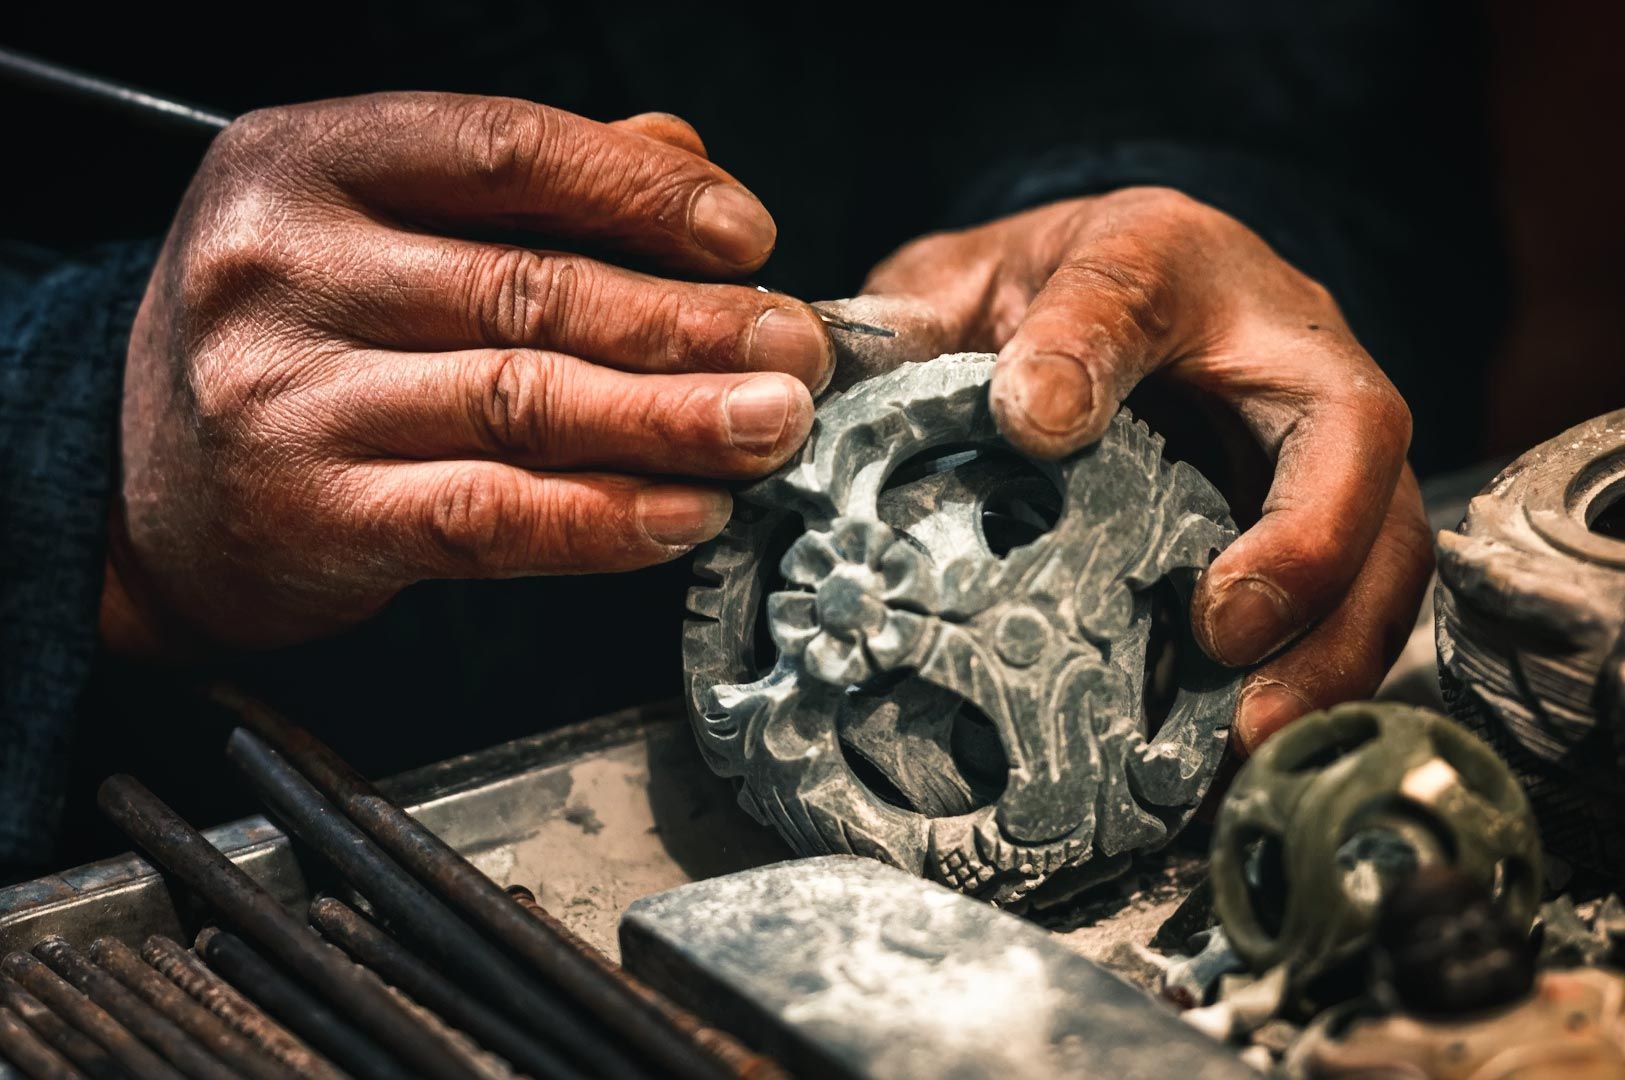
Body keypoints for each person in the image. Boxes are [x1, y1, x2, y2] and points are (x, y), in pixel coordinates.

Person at [0, 4, 1513, 878]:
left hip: (1012, 543)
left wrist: (1170, 227)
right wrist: (84, 442)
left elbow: (1259, 73)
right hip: (214, 788)